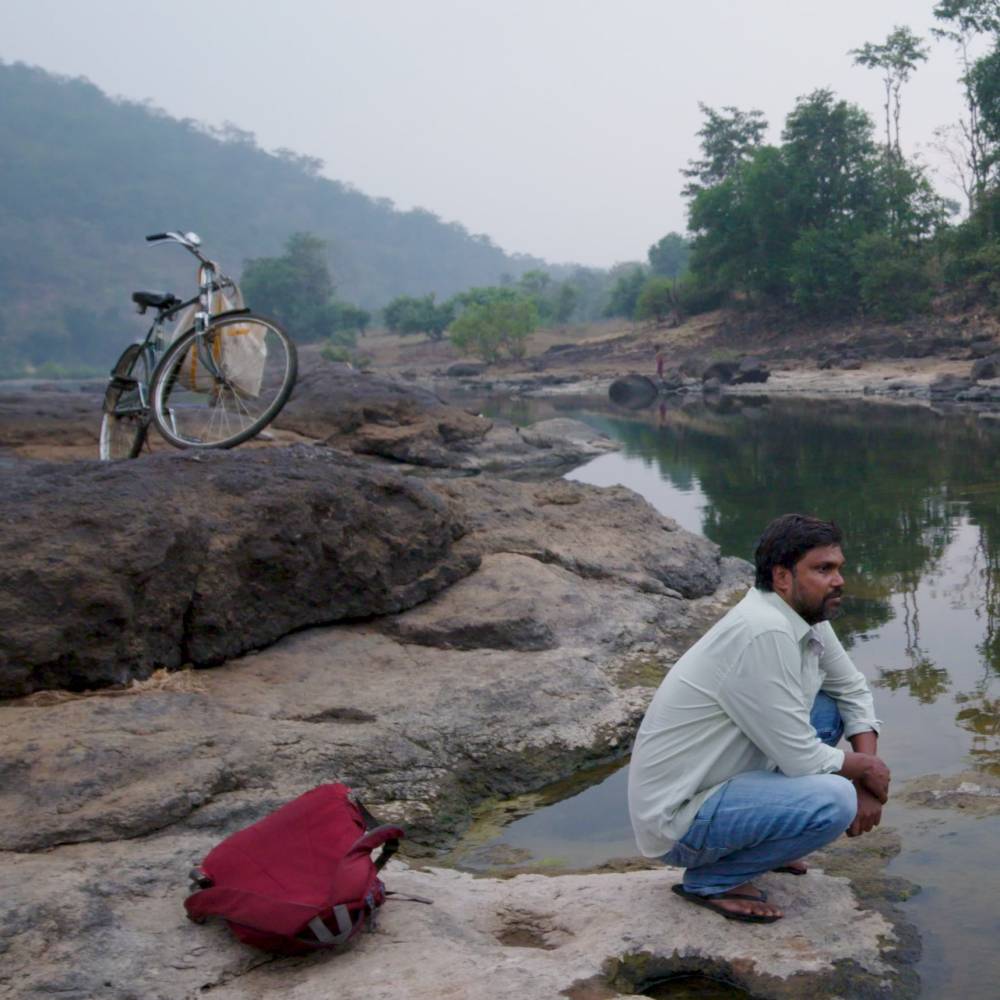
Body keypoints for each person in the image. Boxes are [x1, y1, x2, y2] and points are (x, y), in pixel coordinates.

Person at [627, 513, 887, 923]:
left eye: (838, 568)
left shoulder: (805, 617)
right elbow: (802, 760)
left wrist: (869, 777)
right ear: (783, 578)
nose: (838, 580)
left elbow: (851, 690)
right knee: (834, 800)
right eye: (823, 570)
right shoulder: (762, 630)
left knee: (829, 709)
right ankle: (714, 879)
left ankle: (760, 843)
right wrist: (866, 772)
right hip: (679, 821)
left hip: (720, 787)